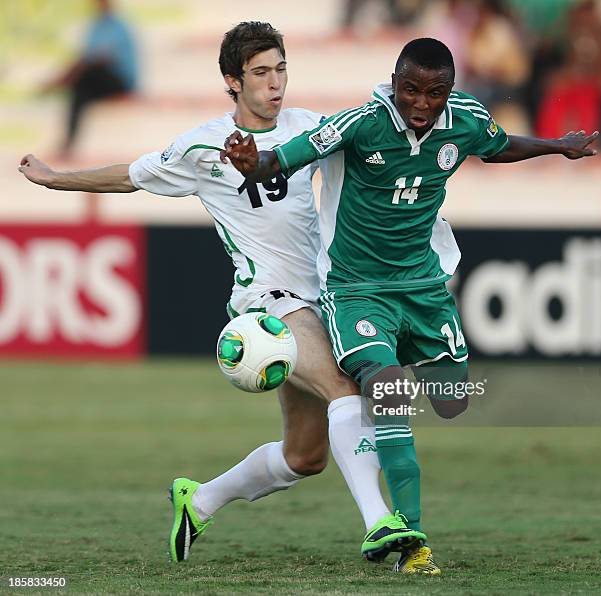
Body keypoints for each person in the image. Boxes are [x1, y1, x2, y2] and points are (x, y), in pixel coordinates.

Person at [18, 22, 427, 573]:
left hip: (327, 297)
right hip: (268, 301)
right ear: (233, 81)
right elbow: (129, 176)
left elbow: (376, 144)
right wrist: (54, 178)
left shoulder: (310, 127)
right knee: (345, 389)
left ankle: (200, 499)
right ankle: (382, 526)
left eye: (281, 69)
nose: (275, 83)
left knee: (305, 458)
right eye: (261, 73)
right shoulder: (201, 146)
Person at [222, 37, 598, 574]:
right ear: (394, 83)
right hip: (356, 289)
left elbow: (499, 145)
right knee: (389, 387)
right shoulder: (363, 123)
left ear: (450, 91)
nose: (421, 104)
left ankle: (391, 399)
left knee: (451, 400)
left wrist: (557, 146)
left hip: (423, 288)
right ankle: (410, 537)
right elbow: (289, 155)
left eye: (434, 93)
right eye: (410, 91)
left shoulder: (464, 120)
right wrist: (253, 163)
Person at [41, 0, 138, 155]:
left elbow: (101, 58)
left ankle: (60, 84)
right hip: (97, 78)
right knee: (79, 90)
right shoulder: (95, 27)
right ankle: (68, 142)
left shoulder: (118, 27)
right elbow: (86, 57)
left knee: (85, 74)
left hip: (119, 80)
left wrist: (66, 76)